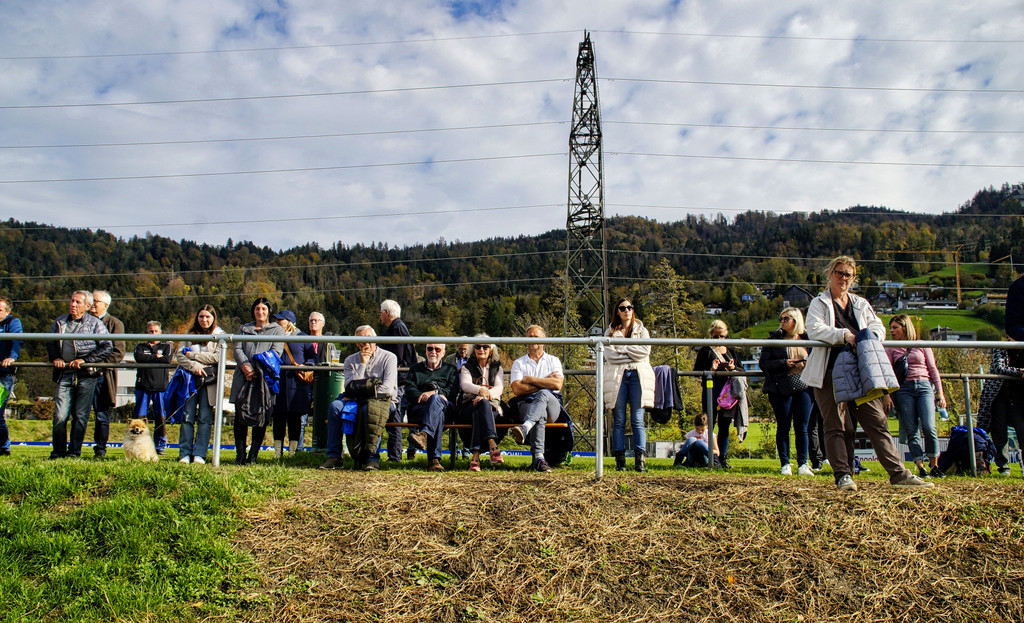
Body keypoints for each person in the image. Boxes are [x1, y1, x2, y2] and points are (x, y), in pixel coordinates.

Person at [801, 256, 932, 490]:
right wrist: (844, 335)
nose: (843, 278)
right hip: (829, 372)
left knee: (877, 422)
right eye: (839, 273)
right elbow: (814, 329)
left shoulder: (861, 303)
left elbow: (878, 326)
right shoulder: (818, 303)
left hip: (861, 372)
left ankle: (899, 475)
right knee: (835, 425)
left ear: (853, 278)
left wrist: (868, 337)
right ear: (830, 274)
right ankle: (843, 475)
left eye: (848, 275)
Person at [320, 325, 398, 471]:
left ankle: (372, 458)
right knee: (335, 407)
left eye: (368, 339)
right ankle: (334, 456)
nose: (366, 343)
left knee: (371, 409)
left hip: (384, 402)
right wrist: (362, 364)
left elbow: (387, 389)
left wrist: (359, 393)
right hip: (354, 401)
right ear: (357, 344)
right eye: (361, 341)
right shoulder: (350, 360)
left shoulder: (389, 358)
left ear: (375, 339)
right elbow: (349, 387)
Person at [46, 290, 112, 459]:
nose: (73, 304)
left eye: (78, 302)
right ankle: (58, 452)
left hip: (86, 375)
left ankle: (74, 452)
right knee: (60, 415)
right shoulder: (59, 322)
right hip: (64, 373)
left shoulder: (95, 324)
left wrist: (85, 360)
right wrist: (55, 357)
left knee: (80, 416)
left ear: (87, 306)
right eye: (72, 300)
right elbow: (51, 343)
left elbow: (107, 347)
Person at [882, 314, 946, 479]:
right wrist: (887, 395)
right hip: (904, 389)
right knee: (911, 428)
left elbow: (932, 368)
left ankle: (934, 465)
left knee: (929, 426)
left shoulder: (921, 345)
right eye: (891, 328)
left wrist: (939, 391)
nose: (892, 331)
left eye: (895, 327)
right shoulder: (891, 349)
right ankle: (920, 464)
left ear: (905, 328)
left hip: (924, 386)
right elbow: (887, 373)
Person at [228, 297, 284, 465]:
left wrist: (257, 367)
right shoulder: (244, 329)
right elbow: (237, 348)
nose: (260, 312)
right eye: (257, 309)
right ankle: (240, 455)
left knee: (261, 416)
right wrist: (246, 366)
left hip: (264, 378)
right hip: (243, 377)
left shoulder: (277, 330)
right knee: (240, 416)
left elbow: (276, 352)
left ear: (269, 311)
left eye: (263, 309)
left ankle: (253, 455)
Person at [759, 307, 814, 476]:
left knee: (802, 427)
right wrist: (784, 363)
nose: (782, 322)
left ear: (796, 321)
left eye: (786, 319)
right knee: (783, 425)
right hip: (780, 386)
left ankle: (803, 463)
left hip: (805, 386)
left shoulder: (809, 339)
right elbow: (764, 364)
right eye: (781, 319)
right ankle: (785, 463)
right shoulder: (773, 340)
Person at [604, 298, 655, 472]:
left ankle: (640, 460)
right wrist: (633, 350)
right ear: (617, 311)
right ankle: (620, 461)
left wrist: (623, 348)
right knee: (619, 420)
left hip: (638, 376)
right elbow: (610, 356)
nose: (627, 310)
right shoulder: (610, 331)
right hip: (617, 377)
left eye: (629, 307)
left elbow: (644, 352)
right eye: (623, 308)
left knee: (637, 419)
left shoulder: (642, 331)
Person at [509, 325, 564, 473]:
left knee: (543, 395)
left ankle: (526, 427)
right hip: (526, 404)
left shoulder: (553, 360)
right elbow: (517, 389)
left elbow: (557, 384)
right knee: (539, 412)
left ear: (544, 340)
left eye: (536, 337)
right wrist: (546, 381)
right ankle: (539, 459)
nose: (532, 340)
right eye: (530, 337)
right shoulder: (519, 363)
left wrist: (530, 379)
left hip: (552, 405)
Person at [175, 304, 225, 464]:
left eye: (208, 317)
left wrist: (193, 355)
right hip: (189, 381)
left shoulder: (220, 335)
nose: (204, 320)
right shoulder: (189, 334)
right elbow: (179, 355)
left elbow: (218, 357)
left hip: (209, 382)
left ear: (213, 318)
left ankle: (200, 453)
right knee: (187, 417)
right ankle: (184, 453)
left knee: (205, 418)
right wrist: (194, 366)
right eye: (201, 316)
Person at [405, 342, 459, 472]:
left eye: (437, 349)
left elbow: (453, 391)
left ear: (443, 353)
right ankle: (434, 460)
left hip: (446, 409)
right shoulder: (415, 369)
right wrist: (425, 397)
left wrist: (435, 393)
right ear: (425, 351)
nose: (433, 352)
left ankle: (425, 434)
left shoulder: (451, 369)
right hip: (420, 409)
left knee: (436, 400)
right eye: (430, 348)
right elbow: (409, 390)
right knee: (436, 412)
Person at [458, 335, 508, 470]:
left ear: (491, 350)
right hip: (468, 406)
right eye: (478, 346)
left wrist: (485, 397)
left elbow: (499, 388)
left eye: (485, 346)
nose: (481, 349)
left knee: (481, 409)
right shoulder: (467, 367)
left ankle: (475, 457)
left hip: (491, 406)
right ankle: (492, 444)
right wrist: (480, 390)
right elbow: (466, 385)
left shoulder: (497, 368)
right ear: (473, 349)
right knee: (480, 407)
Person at [271, 310, 316, 460]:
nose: (277, 323)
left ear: (289, 322)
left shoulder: (302, 337)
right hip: (277, 382)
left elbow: (312, 356)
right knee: (278, 417)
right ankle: (277, 452)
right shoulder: (272, 336)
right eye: (276, 320)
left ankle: (292, 452)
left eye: (280, 320)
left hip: (296, 384)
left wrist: (307, 365)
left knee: (295, 418)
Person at [693, 319, 738, 468]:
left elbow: (741, 369)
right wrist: (710, 370)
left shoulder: (731, 349)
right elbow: (696, 371)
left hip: (727, 393)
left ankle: (722, 458)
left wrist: (732, 368)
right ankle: (706, 457)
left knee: (725, 425)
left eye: (722, 336)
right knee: (708, 425)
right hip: (711, 390)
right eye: (716, 336)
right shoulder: (705, 350)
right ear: (710, 336)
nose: (719, 339)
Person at [977, 340, 1024, 477]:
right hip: (999, 394)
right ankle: (1003, 466)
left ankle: (1021, 466)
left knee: (1021, 429)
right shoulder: (1001, 346)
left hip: (1020, 395)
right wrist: (1020, 372)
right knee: (999, 430)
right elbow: (998, 367)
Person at [379, 299, 417, 462]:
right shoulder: (400, 327)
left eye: (381, 312)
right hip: (402, 378)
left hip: (399, 380)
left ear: (387, 312)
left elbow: (396, 357)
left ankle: (395, 456)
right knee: (397, 416)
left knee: (395, 416)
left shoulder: (396, 328)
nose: (380, 316)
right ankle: (396, 454)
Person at [89, 290, 125, 459]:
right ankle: (74, 448)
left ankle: (100, 449)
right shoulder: (83, 322)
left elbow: (118, 352)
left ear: (105, 305)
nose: (92, 304)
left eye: (95, 301)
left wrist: (98, 365)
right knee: (78, 413)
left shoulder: (114, 324)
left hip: (102, 375)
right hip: (82, 373)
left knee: (101, 414)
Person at [133, 321, 173, 454]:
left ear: (160, 333)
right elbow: (139, 358)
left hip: (160, 387)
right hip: (143, 386)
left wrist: (149, 358)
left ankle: (160, 445)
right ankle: (138, 443)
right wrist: (155, 357)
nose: (153, 333)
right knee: (139, 417)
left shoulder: (166, 346)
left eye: (156, 331)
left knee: (160, 417)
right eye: (151, 331)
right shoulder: (140, 346)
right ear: (147, 332)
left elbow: (167, 360)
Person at [299, 311, 334, 448]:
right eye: (311, 320)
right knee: (301, 417)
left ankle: (323, 445)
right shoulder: (301, 341)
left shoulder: (328, 343)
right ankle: (299, 448)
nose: (313, 322)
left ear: (323, 323)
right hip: (304, 383)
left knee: (323, 414)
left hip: (322, 383)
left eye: (316, 320)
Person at [0, 297, 23, 456]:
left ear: (7, 312)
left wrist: (12, 357)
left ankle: (4, 446)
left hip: (3, 373)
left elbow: (16, 340)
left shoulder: (13, 323)